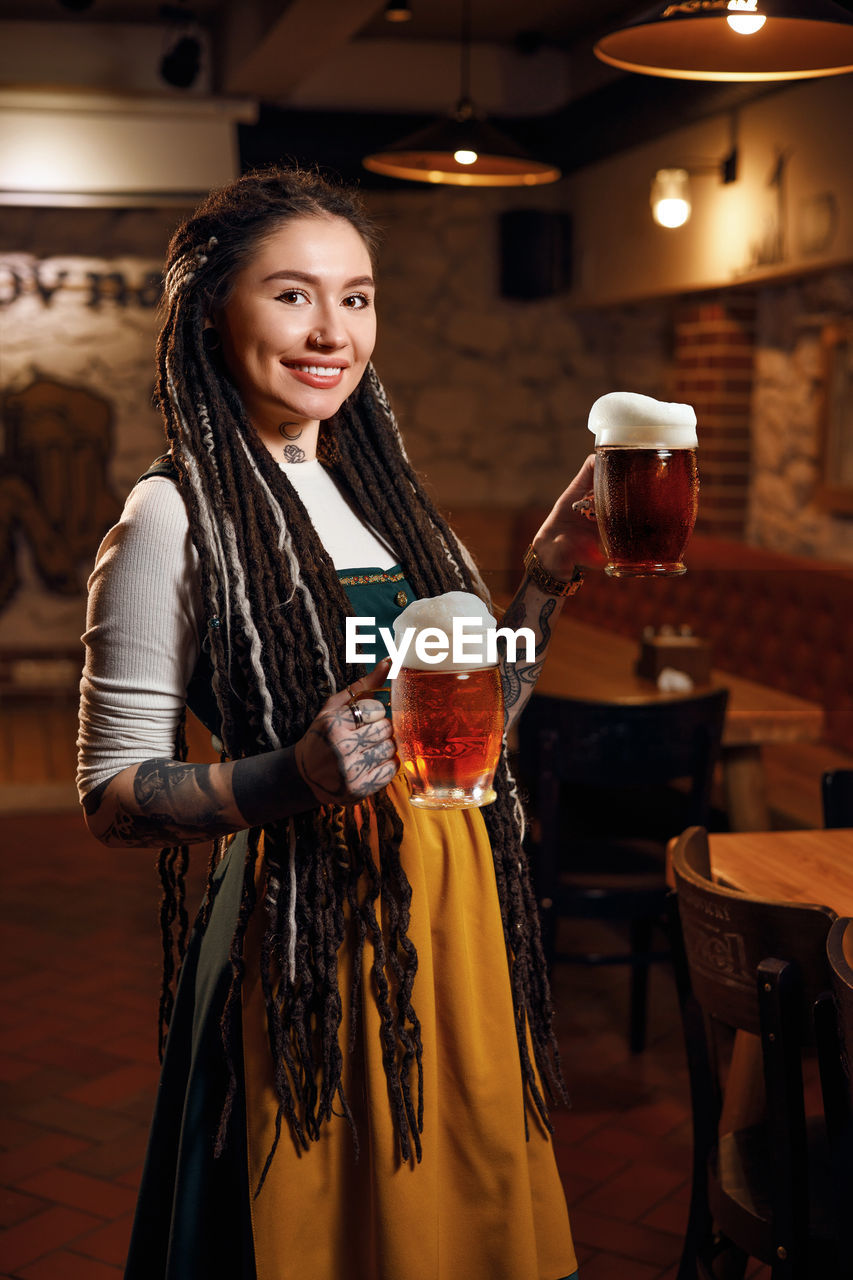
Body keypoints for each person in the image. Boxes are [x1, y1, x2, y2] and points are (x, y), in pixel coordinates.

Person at [76, 166, 600, 1280]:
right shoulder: (172, 513)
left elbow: (476, 724)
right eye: (292, 294)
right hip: (311, 941)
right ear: (215, 309)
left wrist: (543, 585)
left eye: (356, 297)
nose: (332, 331)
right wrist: (291, 777)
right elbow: (113, 794)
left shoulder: (387, 491)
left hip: (460, 925)